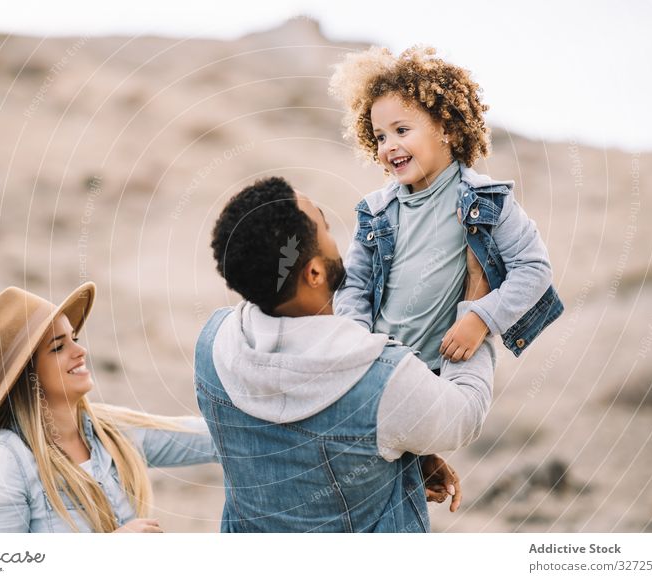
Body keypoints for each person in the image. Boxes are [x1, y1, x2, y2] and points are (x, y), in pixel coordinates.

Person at [196, 176, 495, 532]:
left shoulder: (213, 343)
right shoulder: (383, 380)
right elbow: (467, 414)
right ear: (314, 272)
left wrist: (403, 459)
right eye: (323, 223)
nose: (331, 230)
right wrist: (477, 305)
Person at [329, 45, 564, 372]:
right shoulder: (376, 212)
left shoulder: (487, 201)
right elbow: (353, 284)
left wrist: (481, 319)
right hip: (379, 369)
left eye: (401, 130)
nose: (389, 146)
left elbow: (533, 269)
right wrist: (357, 336)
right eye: (380, 136)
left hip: (444, 371)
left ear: (447, 129)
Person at [0, 282, 217, 532]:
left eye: (74, 338)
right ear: (27, 376)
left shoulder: (113, 432)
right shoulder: (2, 467)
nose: (80, 350)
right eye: (58, 347)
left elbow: (217, 438)